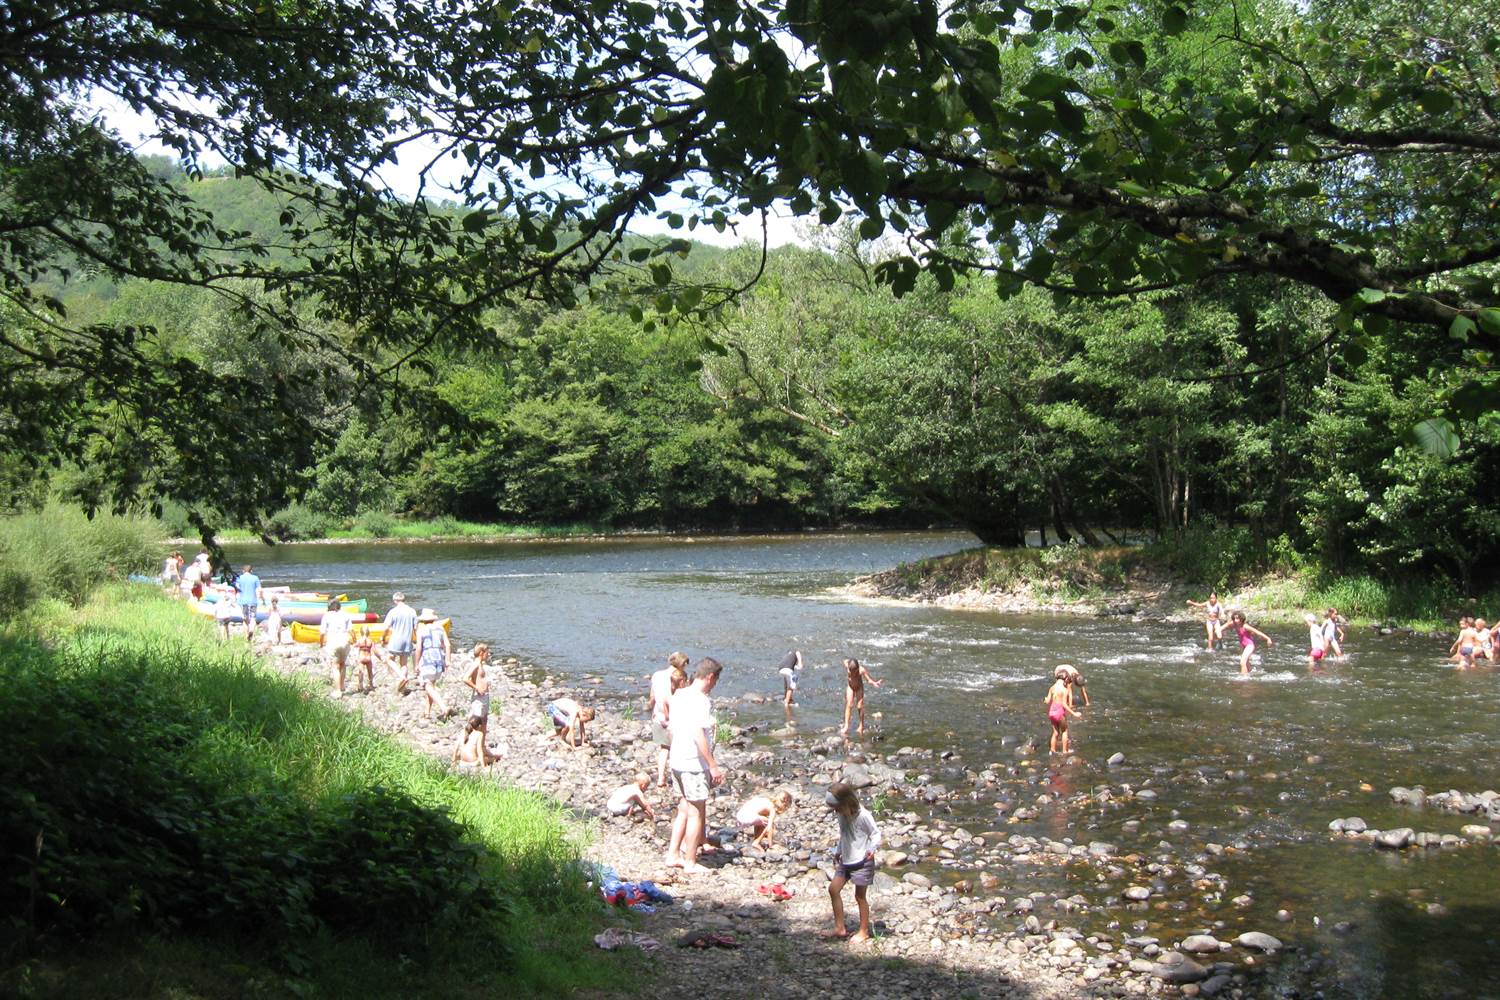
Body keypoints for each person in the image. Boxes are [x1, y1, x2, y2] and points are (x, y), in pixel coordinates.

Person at [665, 657, 725, 873]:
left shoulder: (679, 694)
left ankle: (673, 854)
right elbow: (699, 734)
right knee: (696, 812)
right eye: (715, 681)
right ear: (710, 677)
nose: (714, 685)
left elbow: (670, 730)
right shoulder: (701, 700)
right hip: (693, 763)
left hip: (677, 760)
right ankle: (690, 861)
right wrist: (712, 765)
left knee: (683, 808)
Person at [821, 781, 880, 943]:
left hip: (862, 860)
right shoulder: (841, 814)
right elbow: (844, 834)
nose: (835, 811)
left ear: (846, 803)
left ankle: (863, 930)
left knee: (859, 896)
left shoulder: (863, 816)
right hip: (846, 859)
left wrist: (871, 848)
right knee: (833, 889)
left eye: (837, 808)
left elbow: (875, 834)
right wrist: (838, 850)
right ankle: (840, 928)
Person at [647, 652, 690, 788]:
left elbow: (652, 698)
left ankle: (661, 778)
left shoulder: (657, 675)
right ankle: (677, 778)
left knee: (664, 749)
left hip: (658, 716)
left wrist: (651, 711)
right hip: (675, 718)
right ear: (682, 664)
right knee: (677, 749)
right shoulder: (680, 677)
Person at [413, 609, 452, 718]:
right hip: (439, 658)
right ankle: (427, 712)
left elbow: (419, 648)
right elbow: (447, 645)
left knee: (428, 686)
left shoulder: (421, 630)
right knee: (432, 685)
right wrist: (448, 660)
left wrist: (416, 664)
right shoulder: (440, 628)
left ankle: (443, 707)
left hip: (428, 659)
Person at [382, 592, 419, 688]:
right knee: (404, 663)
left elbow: (386, 627)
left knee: (389, 659)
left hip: (396, 639)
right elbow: (416, 628)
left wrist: (383, 638)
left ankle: (401, 676)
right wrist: (417, 641)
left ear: (395, 600)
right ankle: (403, 688)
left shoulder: (393, 611)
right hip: (407, 640)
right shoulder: (412, 611)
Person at [319, 598, 354, 698]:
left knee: (335, 666)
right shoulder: (345, 614)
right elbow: (351, 630)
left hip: (333, 642)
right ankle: (342, 686)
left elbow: (322, 633)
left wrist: (321, 643)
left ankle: (338, 691)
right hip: (344, 641)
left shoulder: (327, 616)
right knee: (342, 664)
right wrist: (354, 641)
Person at [840, 657, 883, 737]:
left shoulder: (861, 670)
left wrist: (874, 683)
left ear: (857, 669)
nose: (852, 673)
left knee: (860, 706)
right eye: (850, 671)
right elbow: (845, 661)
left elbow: (868, 680)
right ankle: (846, 726)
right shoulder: (848, 666)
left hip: (859, 687)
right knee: (849, 704)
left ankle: (861, 725)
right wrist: (846, 661)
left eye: (854, 672)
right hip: (850, 687)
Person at [461, 643, 494, 740]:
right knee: (476, 721)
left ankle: (481, 745)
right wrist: (476, 687)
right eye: (487, 653)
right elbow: (465, 678)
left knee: (484, 720)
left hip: (484, 696)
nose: (488, 655)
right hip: (479, 697)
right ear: (481, 652)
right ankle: (469, 742)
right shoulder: (476, 663)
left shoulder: (480, 664)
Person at [1045, 665, 1082, 754]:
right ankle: (1065, 751)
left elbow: (1047, 701)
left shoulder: (1052, 687)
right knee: (1064, 731)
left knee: (1056, 733)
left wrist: (1046, 700)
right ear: (1065, 678)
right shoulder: (1064, 689)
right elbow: (1064, 704)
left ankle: (1052, 750)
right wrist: (1074, 713)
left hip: (1051, 712)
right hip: (1059, 712)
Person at [233, 564, 261, 645]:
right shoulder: (255, 578)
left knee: (245, 620)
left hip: (243, 601)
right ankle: (251, 631)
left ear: (243, 571)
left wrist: (235, 599)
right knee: (253, 619)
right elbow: (259, 589)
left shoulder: (239, 578)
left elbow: (236, 588)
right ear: (251, 571)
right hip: (253, 601)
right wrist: (262, 599)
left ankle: (246, 637)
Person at [353, 625, 378, 692]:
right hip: (368, 658)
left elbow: (354, 646)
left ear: (360, 632)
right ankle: (371, 685)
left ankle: (360, 685)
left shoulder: (359, 640)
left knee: (361, 672)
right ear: (368, 632)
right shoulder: (370, 640)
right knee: (370, 672)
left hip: (361, 657)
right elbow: (374, 649)